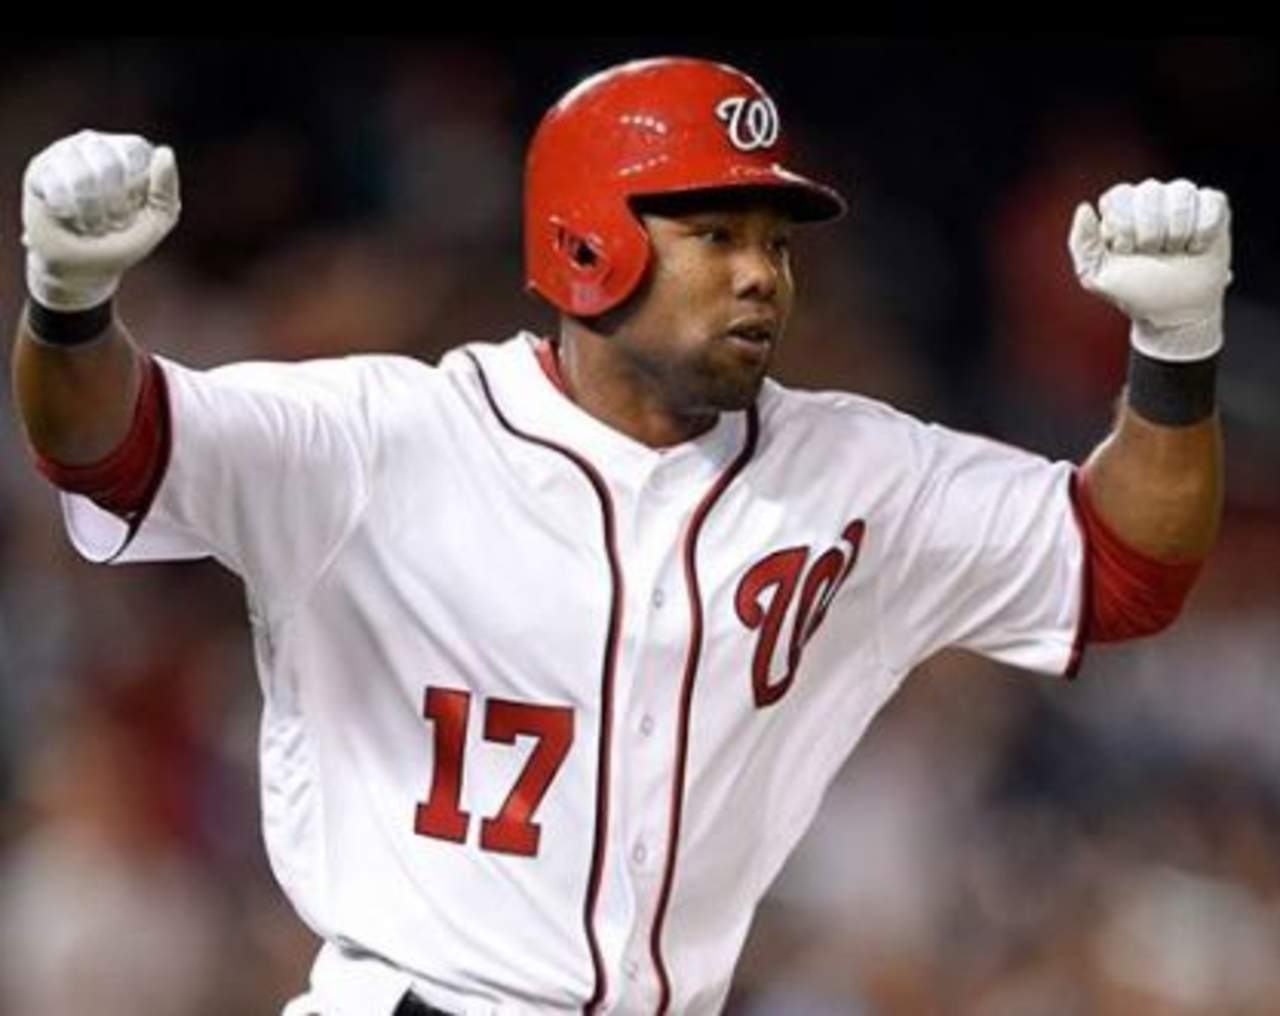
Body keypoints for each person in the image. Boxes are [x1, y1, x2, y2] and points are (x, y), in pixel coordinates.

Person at [10, 56, 1227, 1016]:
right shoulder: (382, 436)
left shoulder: (854, 472)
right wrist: (70, 304)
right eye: (715, 234)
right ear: (584, 241)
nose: (762, 275)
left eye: (775, 242)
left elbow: (1123, 567)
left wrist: (1173, 353)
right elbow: (110, 440)